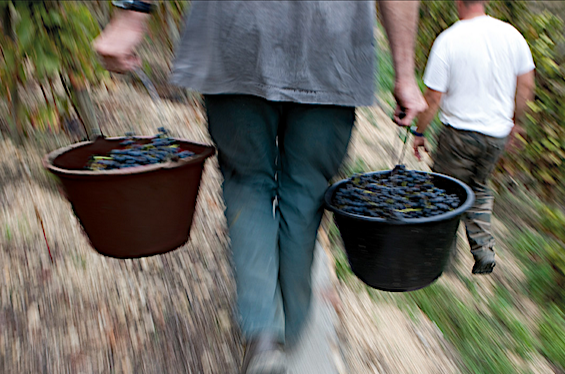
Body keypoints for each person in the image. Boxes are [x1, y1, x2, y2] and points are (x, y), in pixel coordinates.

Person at [94, 1, 426, 373]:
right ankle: (292, 326)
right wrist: (405, 74)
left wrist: (132, 13)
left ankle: (263, 336)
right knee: (305, 192)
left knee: (247, 181)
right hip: (330, 45)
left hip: (235, 34)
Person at [412, 0, 535, 275]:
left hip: (459, 135)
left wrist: (419, 132)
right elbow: (526, 85)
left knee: (447, 191)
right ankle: (483, 248)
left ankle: (440, 259)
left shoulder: (449, 39)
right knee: (478, 186)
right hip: (496, 137)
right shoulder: (512, 36)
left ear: (458, 2)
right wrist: (516, 123)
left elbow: (432, 98)